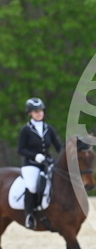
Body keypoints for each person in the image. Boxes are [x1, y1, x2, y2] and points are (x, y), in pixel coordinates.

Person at [17, 97, 61, 229]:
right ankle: (29, 215)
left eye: (41, 110)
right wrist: (35, 156)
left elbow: (59, 147)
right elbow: (20, 150)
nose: (39, 113)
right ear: (30, 113)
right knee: (32, 186)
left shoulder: (49, 129)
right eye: (36, 111)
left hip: (47, 163)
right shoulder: (25, 130)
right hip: (31, 164)